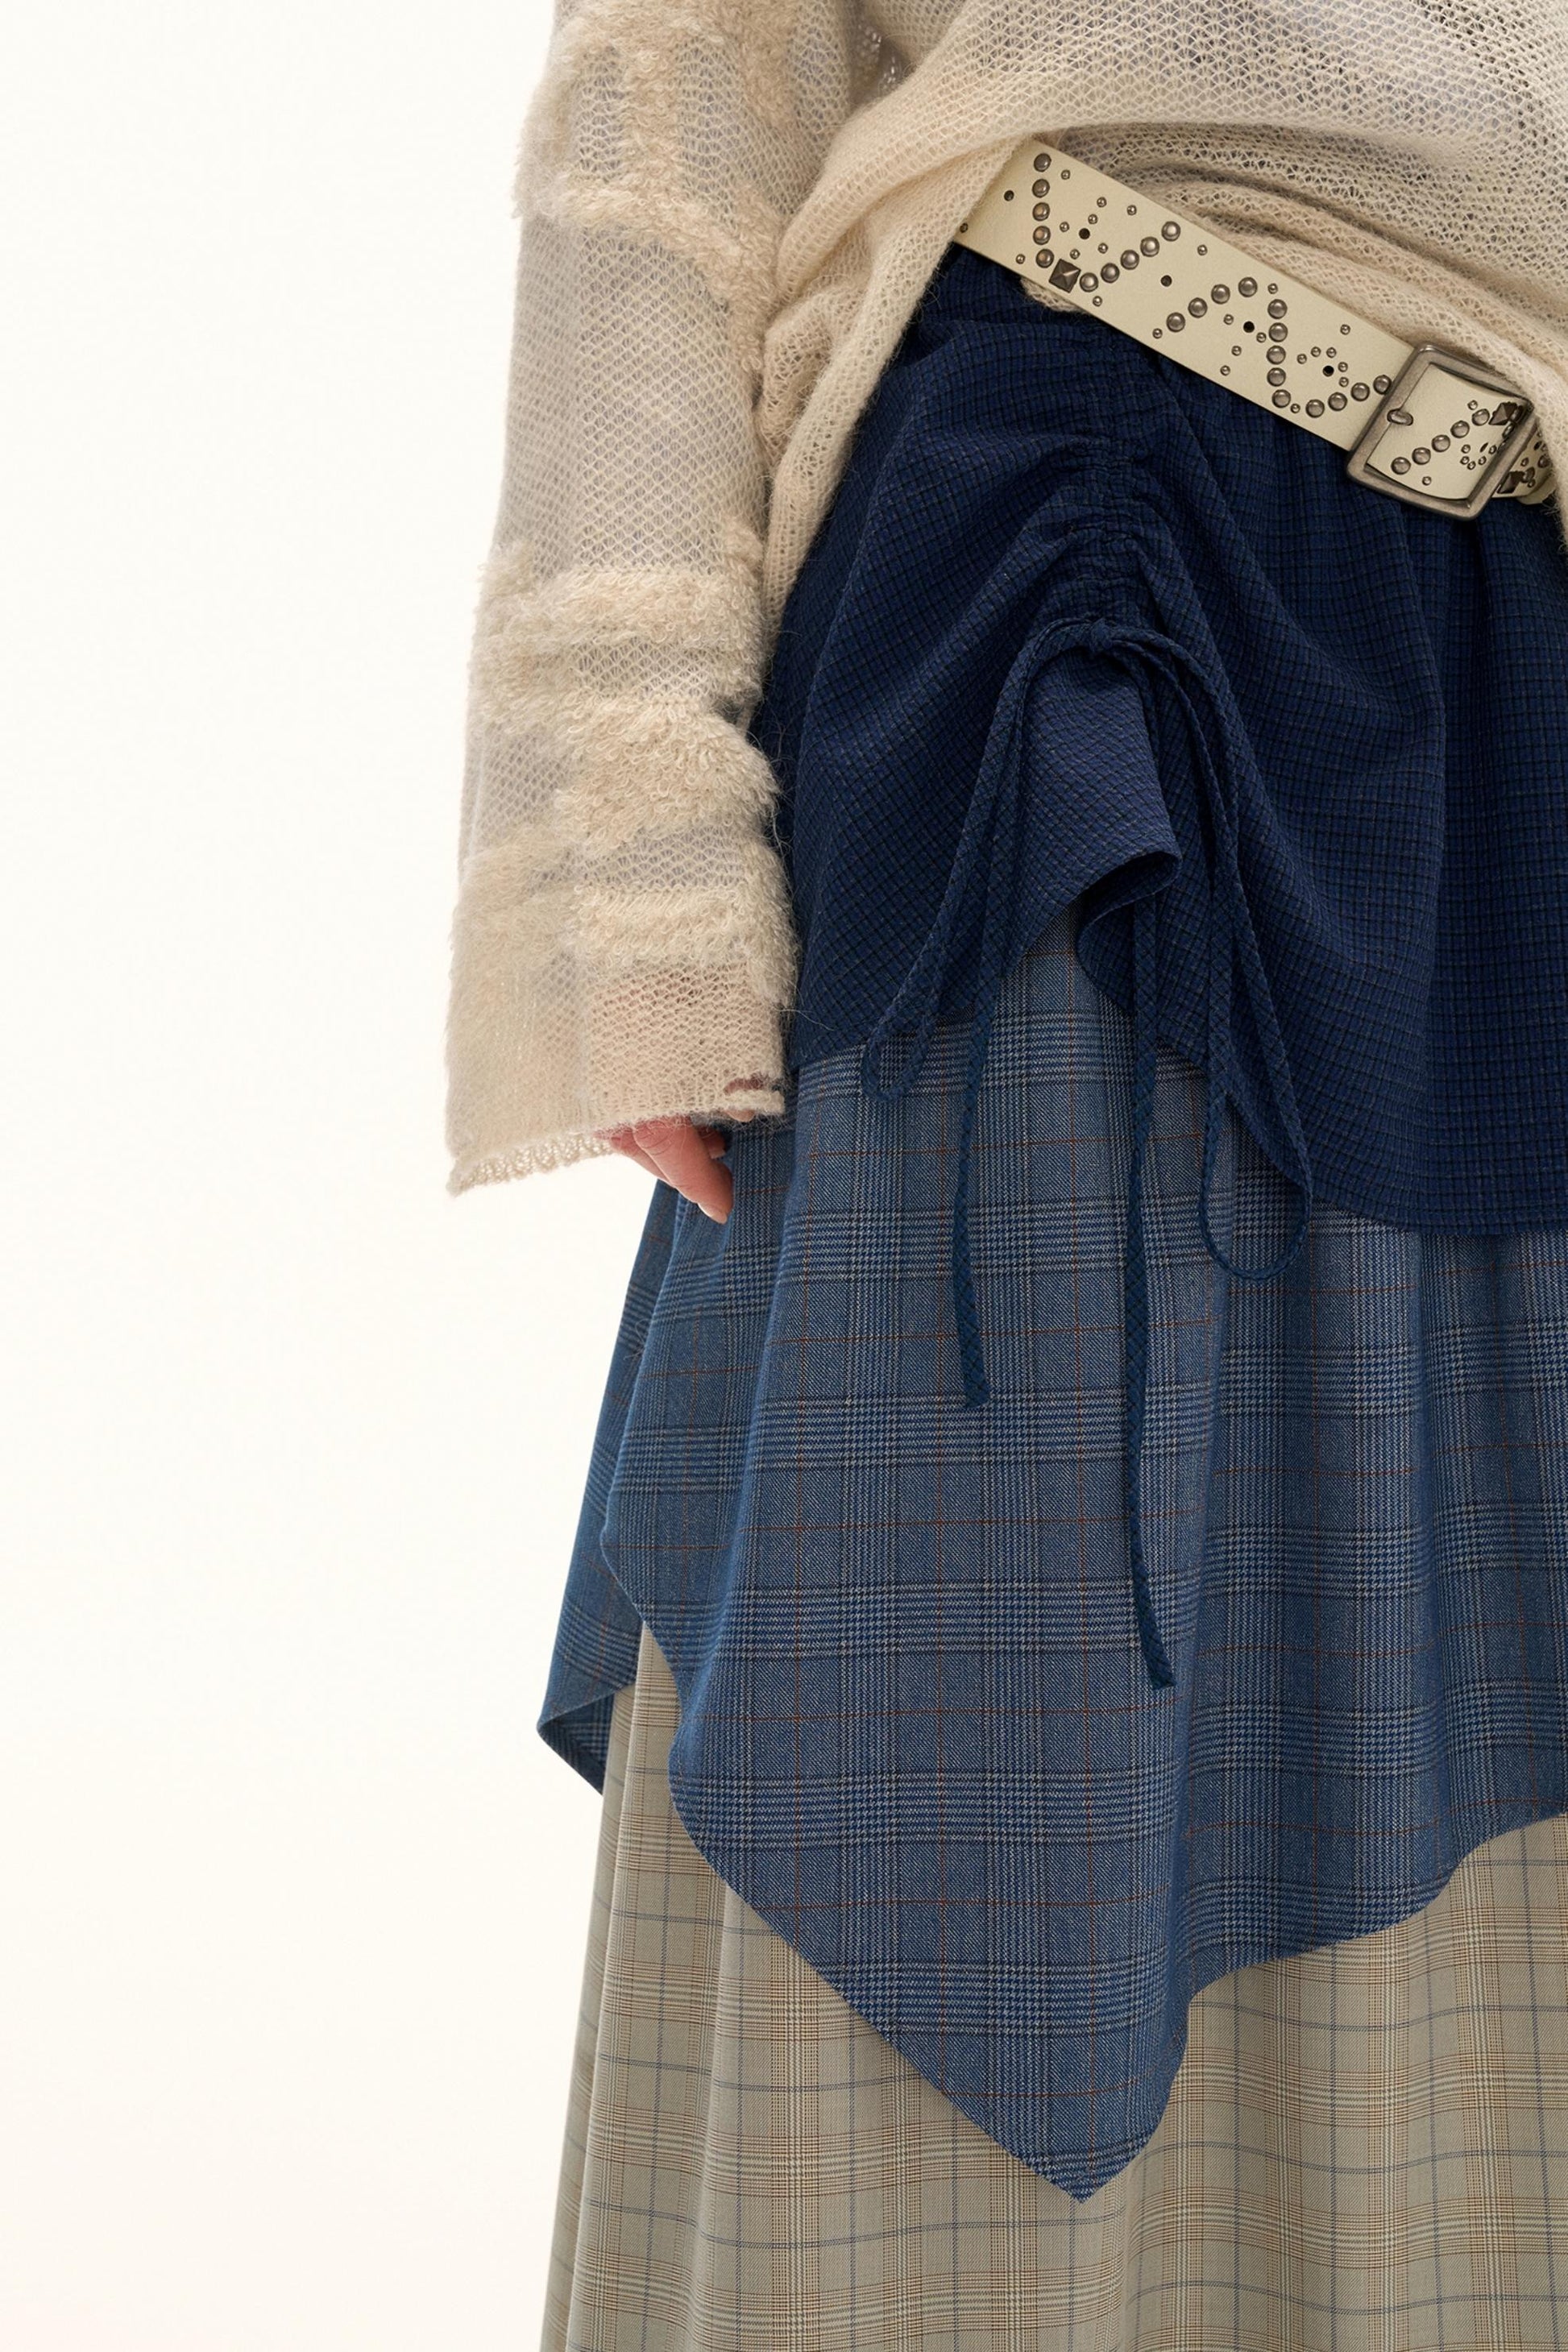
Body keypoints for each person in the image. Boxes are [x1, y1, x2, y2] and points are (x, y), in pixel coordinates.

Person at [446, 4, 1568, 2340]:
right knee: (967, 1797)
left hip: (1521, 693)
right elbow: (667, 137)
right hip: (1076, 647)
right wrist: (623, 873)